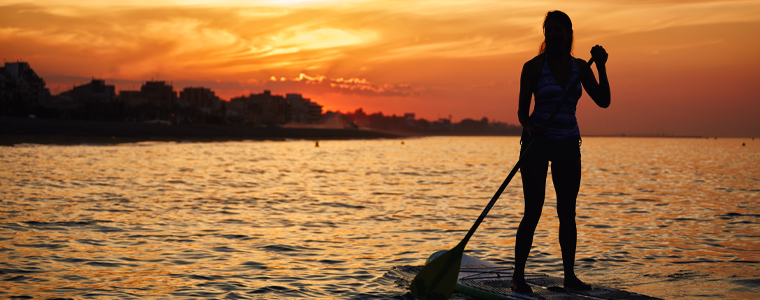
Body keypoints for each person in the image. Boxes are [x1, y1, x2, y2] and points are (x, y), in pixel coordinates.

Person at [512, 10, 610, 293]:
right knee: (533, 211)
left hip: (568, 144)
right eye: (549, 30)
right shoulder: (531, 67)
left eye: (559, 30)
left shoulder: (581, 67)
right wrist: (532, 130)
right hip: (537, 144)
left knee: (567, 212)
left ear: (568, 35)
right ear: (545, 35)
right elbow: (522, 114)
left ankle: (570, 276)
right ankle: (518, 277)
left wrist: (601, 66)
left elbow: (603, 101)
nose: (553, 35)